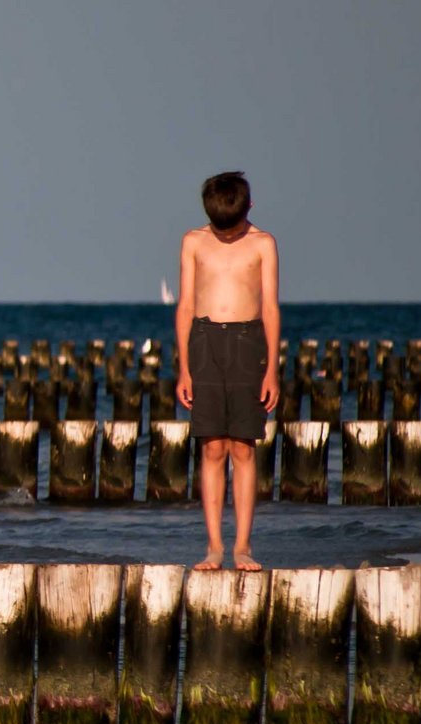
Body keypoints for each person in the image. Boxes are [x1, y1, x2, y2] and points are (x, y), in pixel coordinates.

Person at [175, 171, 280, 571]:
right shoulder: (193, 242)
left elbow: (270, 307)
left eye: (232, 227)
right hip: (204, 342)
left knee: (243, 447)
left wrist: (272, 369)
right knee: (212, 447)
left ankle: (243, 546)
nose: (227, 235)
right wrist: (184, 368)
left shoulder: (263, 244)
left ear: (249, 208)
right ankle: (215, 546)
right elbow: (185, 305)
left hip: (248, 342)